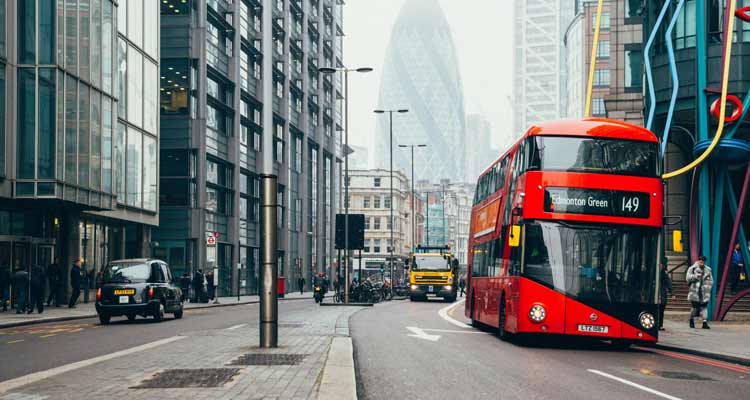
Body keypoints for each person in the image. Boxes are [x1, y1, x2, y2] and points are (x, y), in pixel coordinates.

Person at [686, 255, 713, 329]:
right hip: (695, 291)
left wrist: (708, 287)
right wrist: (695, 276)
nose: (701, 262)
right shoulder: (692, 268)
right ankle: (691, 320)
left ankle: (705, 322)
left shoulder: (708, 270)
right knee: (694, 307)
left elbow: (711, 280)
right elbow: (687, 278)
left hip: (704, 292)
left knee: (704, 307)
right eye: (700, 260)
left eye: (703, 261)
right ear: (698, 260)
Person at [658, 260, 673, 330]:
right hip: (654, 295)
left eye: (661, 265)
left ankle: (660, 325)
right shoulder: (652, 272)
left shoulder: (664, 274)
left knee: (661, 311)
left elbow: (668, 283)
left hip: (662, 294)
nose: (660, 267)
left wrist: (672, 293)